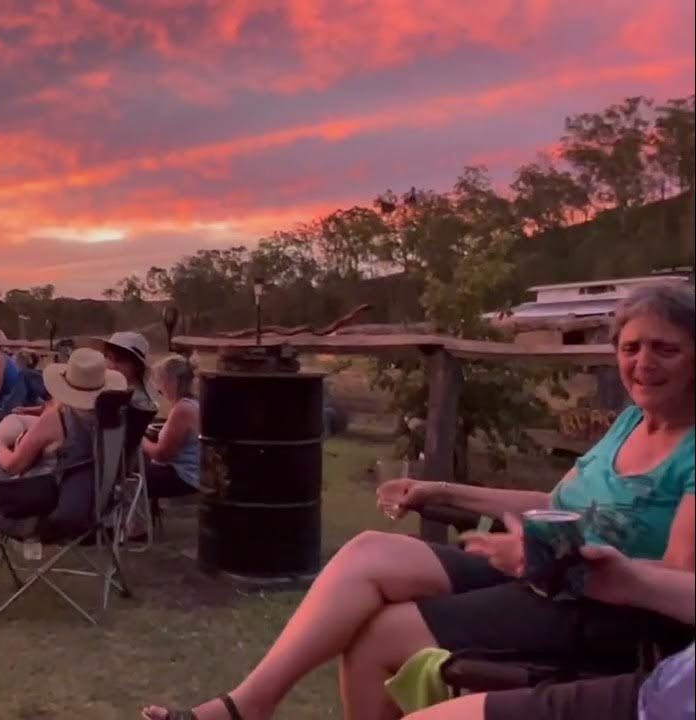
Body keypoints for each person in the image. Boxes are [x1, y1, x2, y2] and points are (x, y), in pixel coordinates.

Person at [142, 283, 696, 720]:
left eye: (665, 348)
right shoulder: (629, 422)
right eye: (631, 347)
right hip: (543, 574)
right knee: (369, 550)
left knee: (379, 638)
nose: (643, 362)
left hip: (611, 613)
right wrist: (439, 489)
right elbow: (553, 501)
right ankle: (252, 703)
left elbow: (675, 577)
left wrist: (560, 560)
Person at [0, 347, 126, 602]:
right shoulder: (113, 420)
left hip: (45, 517)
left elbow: (12, 466)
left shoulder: (57, 420)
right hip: (99, 508)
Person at [403, 544, 693, 720]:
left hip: (608, 625)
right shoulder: (621, 440)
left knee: (390, 632)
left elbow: (680, 563)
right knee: (372, 550)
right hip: (665, 689)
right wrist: (630, 581)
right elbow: (552, 500)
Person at [127, 355, 200, 538]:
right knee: (136, 463)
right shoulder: (194, 404)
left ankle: (137, 529)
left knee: (128, 475)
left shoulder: (182, 410)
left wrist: (138, 438)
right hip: (192, 471)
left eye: (161, 381)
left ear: (172, 381)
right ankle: (137, 522)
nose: (160, 387)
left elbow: (162, 454)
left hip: (185, 476)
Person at [102, 331, 157, 414]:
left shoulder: (139, 401)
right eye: (109, 357)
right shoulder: (110, 390)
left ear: (137, 366)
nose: (112, 366)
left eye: (120, 360)